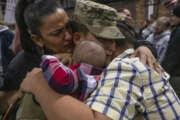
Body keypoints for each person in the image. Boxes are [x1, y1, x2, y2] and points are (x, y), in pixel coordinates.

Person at [20, 0, 180, 120]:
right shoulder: (40, 67)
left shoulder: (122, 65)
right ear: (37, 39)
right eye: (57, 33)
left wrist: (39, 85)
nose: (67, 37)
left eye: (69, 28)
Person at [161, 5, 180, 97]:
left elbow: (173, 55)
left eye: (173, 16)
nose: (171, 18)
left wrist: (163, 72)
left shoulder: (178, 32)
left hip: (176, 75)